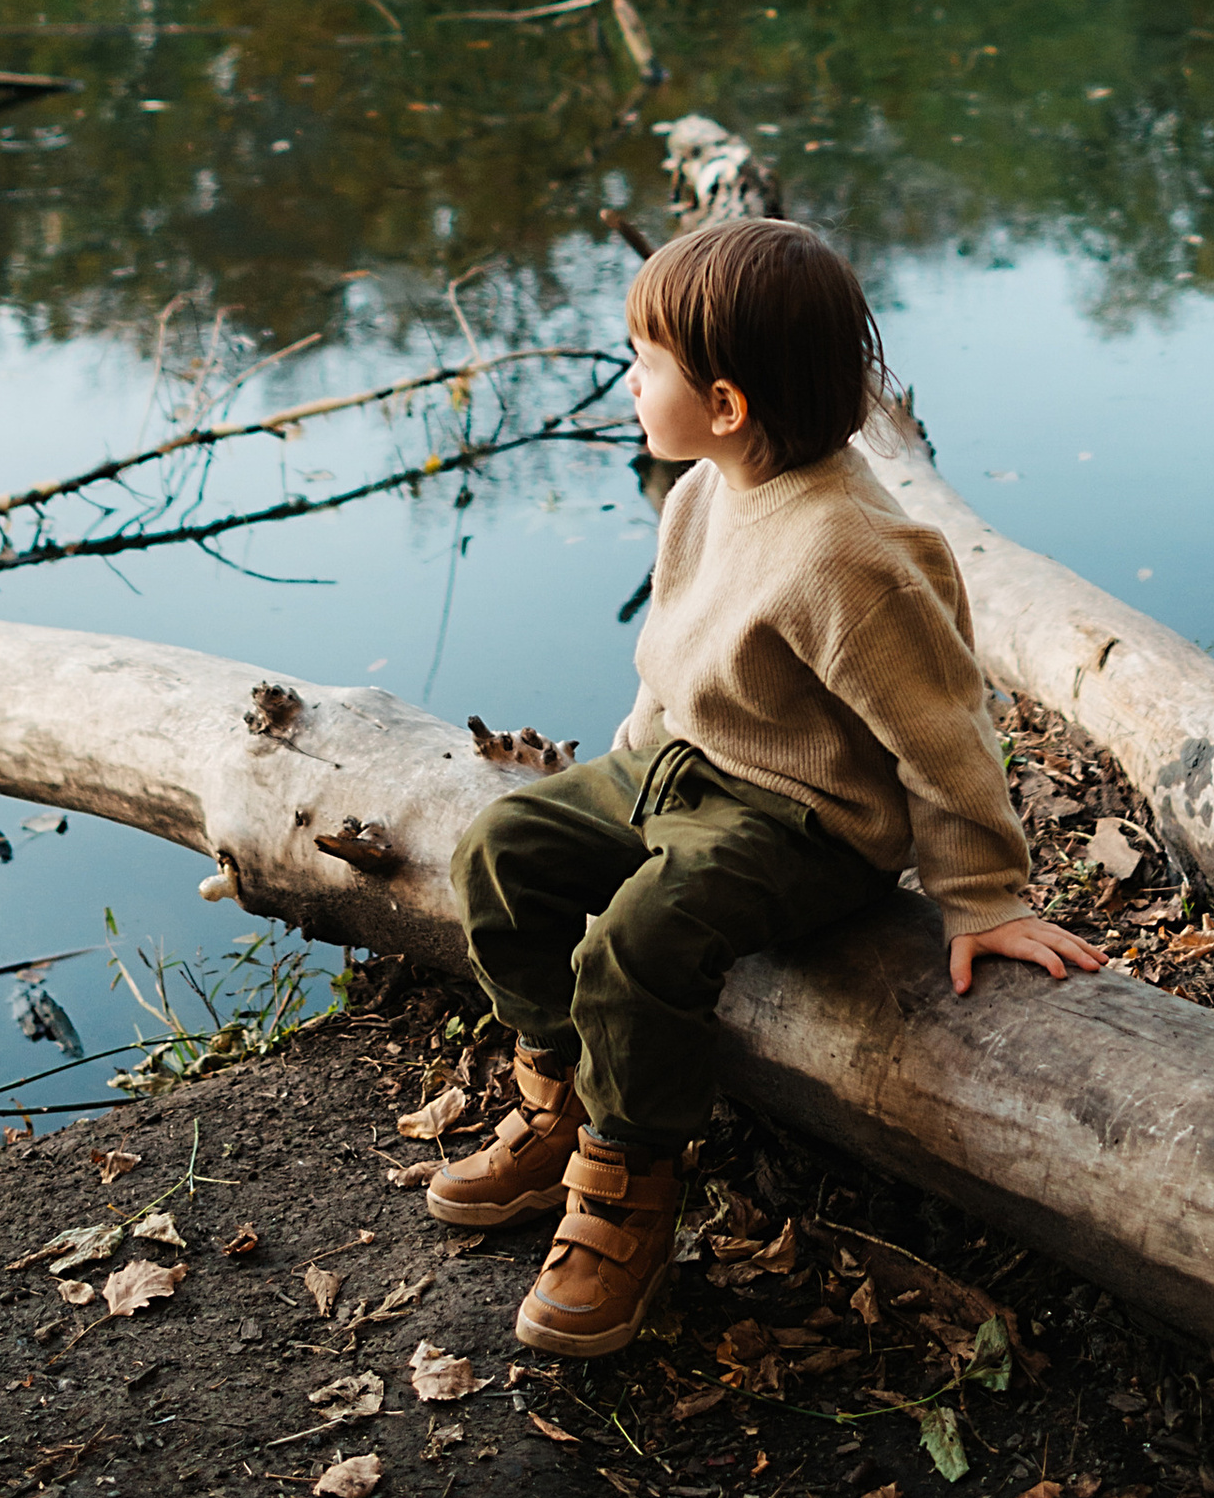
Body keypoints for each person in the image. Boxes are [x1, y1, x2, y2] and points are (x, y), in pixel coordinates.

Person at [436, 215, 1106, 1356]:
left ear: (729, 402)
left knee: (638, 946)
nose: (630, 381)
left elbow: (944, 736)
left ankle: (630, 1181)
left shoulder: (853, 551)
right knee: (501, 850)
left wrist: (984, 894)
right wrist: (623, 773)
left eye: (643, 363)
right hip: (672, 767)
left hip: (798, 822)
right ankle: (556, 1086)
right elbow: (678, 649)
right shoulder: (701, 488)